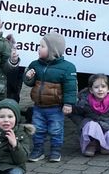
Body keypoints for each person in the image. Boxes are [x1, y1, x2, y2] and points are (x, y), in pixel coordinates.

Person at [23, 32, 77, 162]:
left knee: (56, 130)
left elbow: (70, 88)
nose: (38, 48)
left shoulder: (68, 67)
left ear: (53, 50)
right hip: (38, 107)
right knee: (37, 129)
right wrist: (28, 77)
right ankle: (38, 150)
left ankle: (55, 151)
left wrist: (68, 104)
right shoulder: (35, 64)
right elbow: (30, 83)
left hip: (56, 108)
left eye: (42, 46)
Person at [71, 74, 109, 157]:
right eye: (96, 87)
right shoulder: (85, 102)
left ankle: (106, 145)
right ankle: (91, 144)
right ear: (91, 90)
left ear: (108, 89)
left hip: (108, 125)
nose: (100, 90)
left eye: (103, 86)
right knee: (91, 125)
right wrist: (83, 122)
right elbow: (73, 113)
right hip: (93, 128)